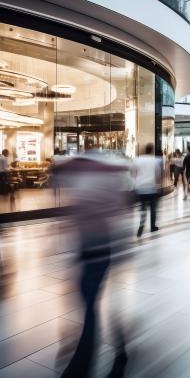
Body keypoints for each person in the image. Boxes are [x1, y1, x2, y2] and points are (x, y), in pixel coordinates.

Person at [56, 152, 130, 378]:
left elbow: (84, 215)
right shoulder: (105, 180)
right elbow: (117, 212)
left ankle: (81, 366)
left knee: (90, 308)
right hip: (96, 250)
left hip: (95, 252)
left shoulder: (86, 183)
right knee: (98, 305)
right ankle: (119, 350)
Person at [133, 143, 162, 236]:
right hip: (151, 188)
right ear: (152, 150)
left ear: (145, 149)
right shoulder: (155, 160)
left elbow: (133, 172)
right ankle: (153, 227)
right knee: (153, 209)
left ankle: (141, 225)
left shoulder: (137, 159)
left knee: (142, 208)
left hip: (140, 188)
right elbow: (158, 174)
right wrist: (158, 186)